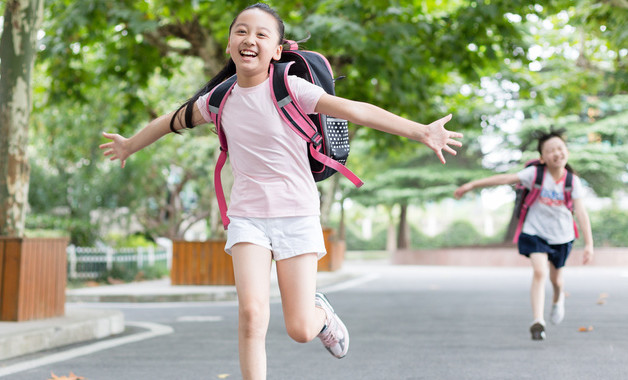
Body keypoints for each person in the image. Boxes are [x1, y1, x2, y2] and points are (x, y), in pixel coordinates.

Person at [100, 3, 462, 379]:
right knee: (251, 314)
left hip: (296, 213)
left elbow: (357, 110)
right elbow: (171, 121)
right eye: (241, 31)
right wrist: (130, 145)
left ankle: (321, 314)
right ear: (229, 44)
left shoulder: (289, 87)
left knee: (300, 329)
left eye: (261, 34)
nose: (249, 39)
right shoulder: (219, 99)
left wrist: (420, 130)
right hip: (247, 217)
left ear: (276, 50)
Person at [454, 131, 593, 341]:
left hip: (562, 236)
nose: (556, 153)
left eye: (560, 148)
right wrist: (472, 185)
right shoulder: (535, 174)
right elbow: (505, 179)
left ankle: (557, 300)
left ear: (567, 151)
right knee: (539, 271)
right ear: (542, 158)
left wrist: (589, 244)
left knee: (557, 280)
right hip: (535, 232)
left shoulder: (573, 182)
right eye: (550, 150)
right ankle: (538, 321)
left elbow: (581, 213)